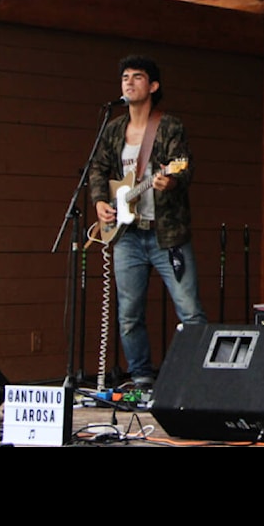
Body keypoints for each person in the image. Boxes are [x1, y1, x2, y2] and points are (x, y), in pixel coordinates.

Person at [88, 54, 207, 389]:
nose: (129, 82)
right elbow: (97, 168)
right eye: (124, 76)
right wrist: (100, 201)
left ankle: (197, 377)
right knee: (129, 314)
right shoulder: (113, 129)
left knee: (190, 310)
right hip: (127, 234)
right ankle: (141, 377)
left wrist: (171, 180)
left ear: (153, 86)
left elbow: (183, 165)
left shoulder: (169, 126)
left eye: (137, 77)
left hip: (167, 235)